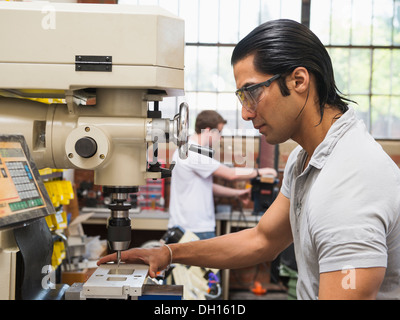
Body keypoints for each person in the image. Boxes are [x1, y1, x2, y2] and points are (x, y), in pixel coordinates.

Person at [98, 19, 400, 300]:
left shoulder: (350, 178)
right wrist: (168, 254)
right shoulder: (303, 160)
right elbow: (262, 240)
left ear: (298, 81)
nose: (245, 112)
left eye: (251, 93)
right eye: (241, 97)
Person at [168, 109, 277, 240]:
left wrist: (237, 193)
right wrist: (261, 171)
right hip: (194, 229)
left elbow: (207, 187)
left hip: (189, 227)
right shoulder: (191, 153)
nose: (219, 138)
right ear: (208, 131)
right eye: (218, 133)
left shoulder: (188, 150)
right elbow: (231, 174)